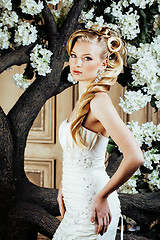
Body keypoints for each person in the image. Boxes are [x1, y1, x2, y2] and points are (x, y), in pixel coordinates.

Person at [52, 27, 144, 240]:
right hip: (74, 202)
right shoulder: (82, 99)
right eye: (74, 56)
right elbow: (76, 157)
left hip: (92, 207)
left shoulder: (99, 101)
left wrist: (103, 196)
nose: (77, 63)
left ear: (103, 63)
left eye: (87, 58)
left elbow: (136, 156)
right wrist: (63, 188)